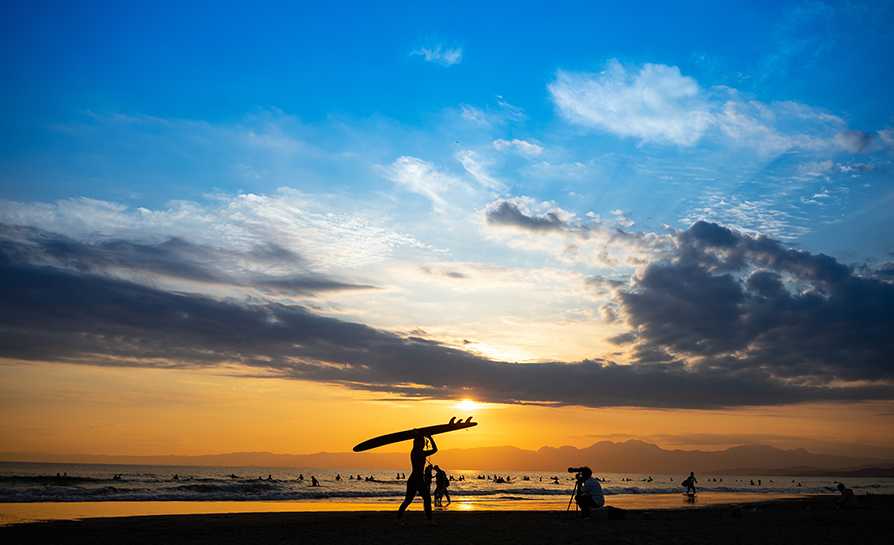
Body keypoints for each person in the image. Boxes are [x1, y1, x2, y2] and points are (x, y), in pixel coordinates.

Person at [395, 433, 438, 525]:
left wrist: (430, 438)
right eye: (420, 442)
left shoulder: (423, 453)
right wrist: (416, 434)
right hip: (413, 480)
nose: (422, 444)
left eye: (423, 442)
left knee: (427, 499)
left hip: (420, 481)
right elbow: (416, 442)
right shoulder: (414, 452)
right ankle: (398, 519)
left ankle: (430, 520)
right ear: (417, 443)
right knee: (408, 500)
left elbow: (435, 449)